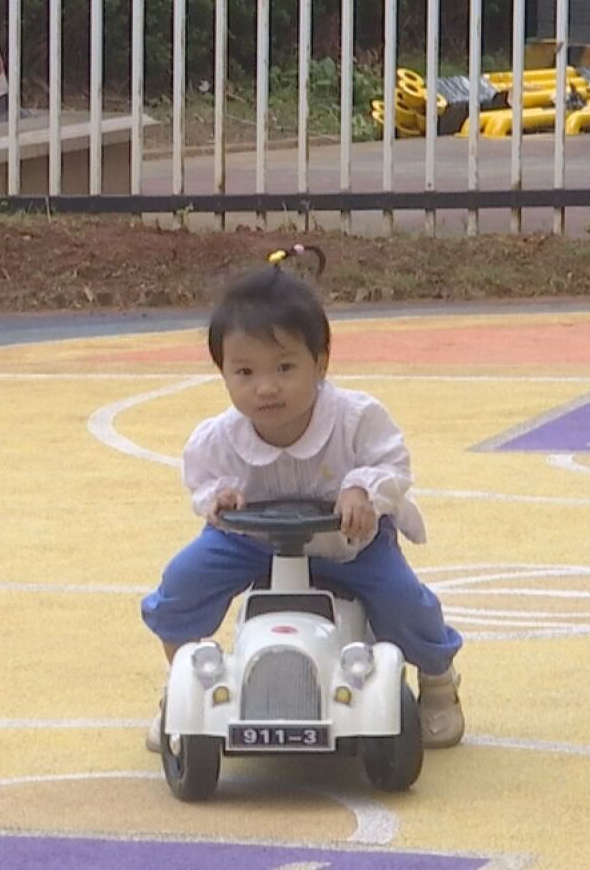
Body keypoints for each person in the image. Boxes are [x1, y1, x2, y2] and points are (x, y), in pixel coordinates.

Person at [141, 247, 465, 748]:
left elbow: (394, 465)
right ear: (222, 371)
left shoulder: (355, 418)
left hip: (349, 543)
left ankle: (439, 680)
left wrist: (361, 488)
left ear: (321, 363)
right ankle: (183, 685)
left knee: (404, 599)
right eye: (245, 373)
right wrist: (218, 499)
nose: (266, 388)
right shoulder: (219, 437)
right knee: (183, 579)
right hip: (250, 542)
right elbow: (200, 478)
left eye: (285, 367)